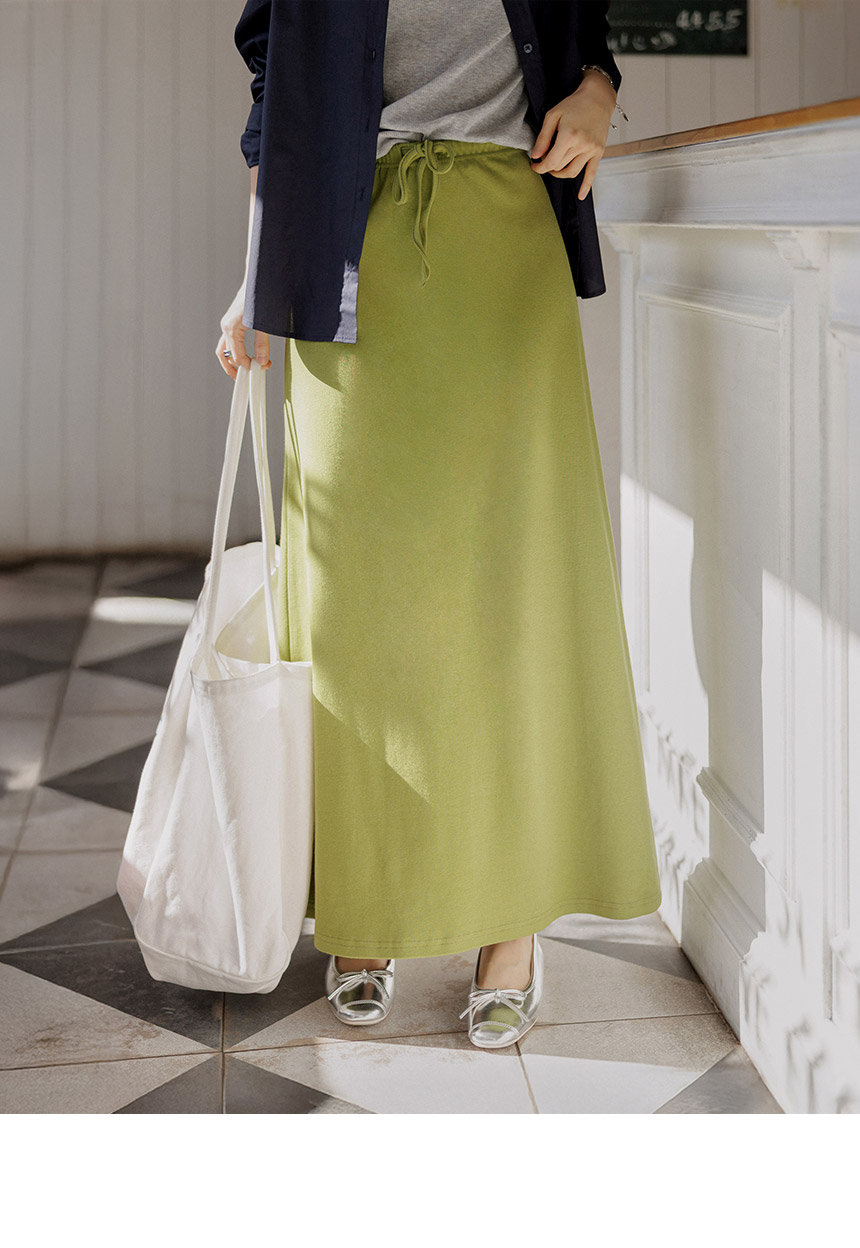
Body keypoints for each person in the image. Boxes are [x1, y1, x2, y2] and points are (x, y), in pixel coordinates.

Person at [218, 8, 660, 1038]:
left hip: (505, 242)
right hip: (343, 249)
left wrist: (598, 91)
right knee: (357, 606)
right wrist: (254, 271)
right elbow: (275, 80)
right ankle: (365, 909)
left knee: (508, 587)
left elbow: (582, 29)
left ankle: (509, 925)